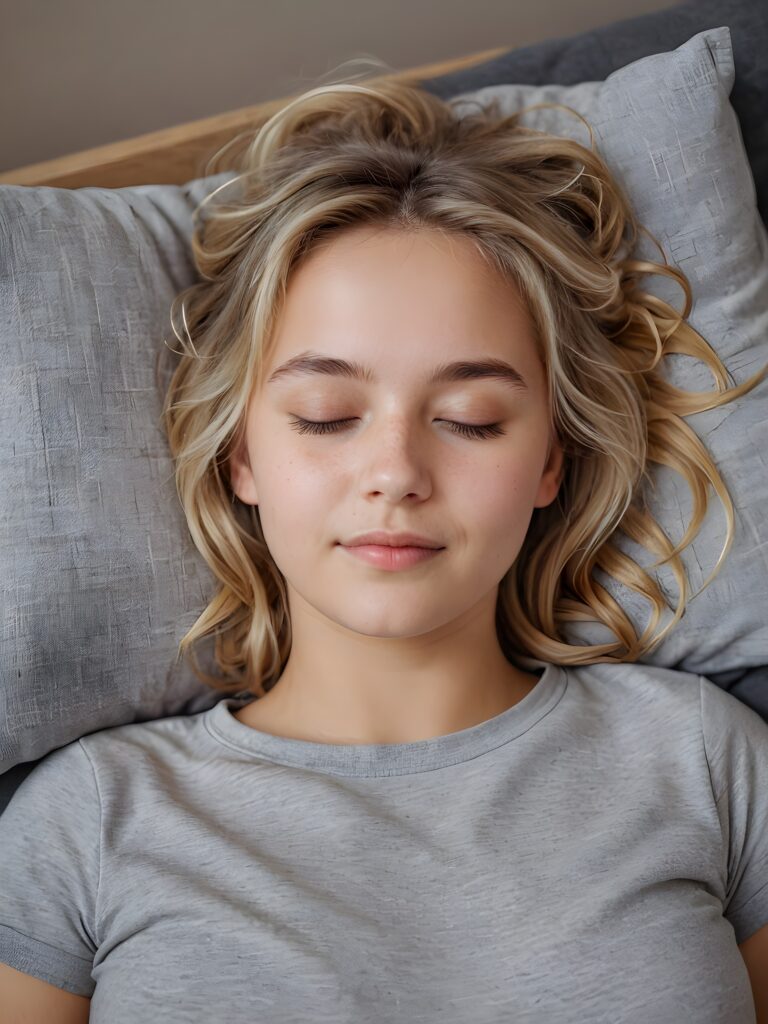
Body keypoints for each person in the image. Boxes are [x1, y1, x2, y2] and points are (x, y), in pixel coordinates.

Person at [1, 73, 767, 1022]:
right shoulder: (90, 818)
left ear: (550, 463)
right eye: (327, 416)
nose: (396, 472)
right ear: (241, 456)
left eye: (471, 418)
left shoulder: (702, 758)